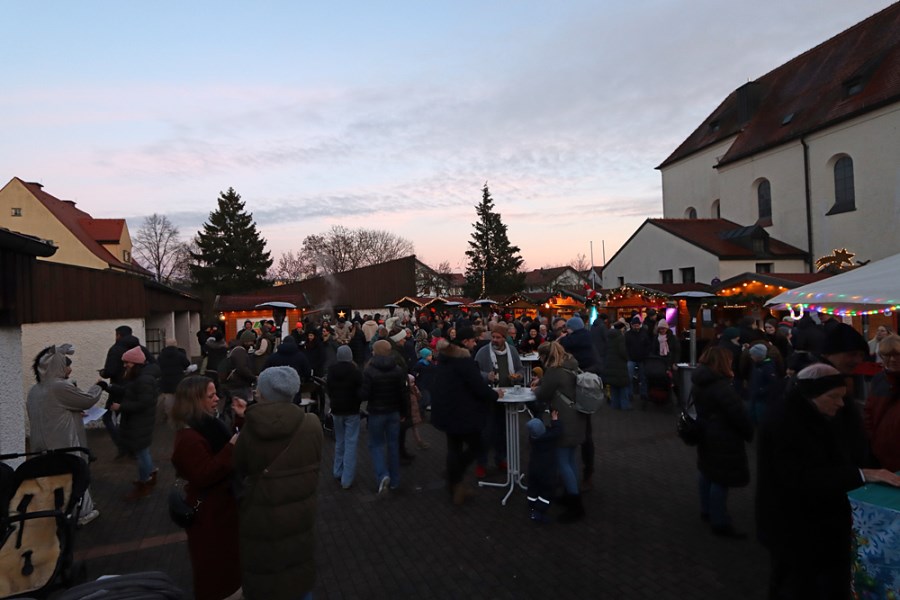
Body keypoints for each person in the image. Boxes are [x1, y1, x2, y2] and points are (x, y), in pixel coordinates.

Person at [756, 363, 900, 598]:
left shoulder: (813, 414)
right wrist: (863, 474)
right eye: (833, 397)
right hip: (795, 527)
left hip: (814, 525)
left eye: (843, 397)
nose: (840, 404)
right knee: (796, 584)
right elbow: (801, 478)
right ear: (812, 396)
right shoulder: (786, 423)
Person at [235, 367, 323, 600]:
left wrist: (247, 417)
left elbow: (239, 467)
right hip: (301, 511)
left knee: (267, 574)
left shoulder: (251, 430)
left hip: (263, 514)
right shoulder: (312, 424)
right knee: (299, 570)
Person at [170, 376, 242, 600]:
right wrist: (231, 447)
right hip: (211, 516)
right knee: (216, 571)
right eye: (210, 396)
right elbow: (205, 473)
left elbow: (227, 442)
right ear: (195, 401)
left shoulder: (206, 425)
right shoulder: (189, 438)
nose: (217, 399)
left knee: (228, 565)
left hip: (221, 511)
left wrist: (241, 419)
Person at [27, 344, 105, 526]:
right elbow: (87, 400)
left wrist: (73, 413)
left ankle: (56, 511)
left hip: (41, 444)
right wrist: (99, 386)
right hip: (63, 442)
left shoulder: (35, 390)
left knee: (51, 479)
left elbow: (51, 412)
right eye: (66, 364)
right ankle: (83, 512)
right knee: (76, 473)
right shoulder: (59, 387)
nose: (69, 369)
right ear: (57, 366)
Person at [431, 327, 502, 505]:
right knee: (479, 445)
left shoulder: (445, 358)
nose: (475, 343)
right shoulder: (463, 361)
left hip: (446, 411)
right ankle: (454, 477)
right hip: (461, 413)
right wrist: (495, 395)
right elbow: (478, 386)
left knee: (454, 448)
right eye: (472, 340)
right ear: (465, 342)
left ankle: (455, 485)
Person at [691, 346, 754, 538]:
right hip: (723, 436)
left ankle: (707, 510)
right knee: (720, 478)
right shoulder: (720, 387)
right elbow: (737, 413)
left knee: (708, 471)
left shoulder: (699, 382)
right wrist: (748, 431)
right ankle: (719, 521)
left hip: (706, 430)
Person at [532, 341, 585, 522]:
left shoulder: (554, 371)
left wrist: (537, 387)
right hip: (577, 417)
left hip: (564, 419)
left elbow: (543, 394)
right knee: (570, 460)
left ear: (546, 356)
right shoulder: (571, 363)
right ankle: (572, 494)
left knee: (563, 461)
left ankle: (576, 504)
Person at [108, 345, 161, 501]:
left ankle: (144, 484)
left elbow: (144, 403)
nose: (125, 365)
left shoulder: (143, 380)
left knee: (141, 453)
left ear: (136, 363)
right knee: (143, 452)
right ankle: (150, 474)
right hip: (139, 423)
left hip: (140, 423)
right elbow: (128, 392)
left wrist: (121, 406)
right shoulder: (139, 378)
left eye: (127, 363)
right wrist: (109, 388)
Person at [473, 323, 524, 477]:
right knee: (486, 432)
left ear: (504, 338)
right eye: (493, 337)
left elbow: (520, 368)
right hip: (489, 397)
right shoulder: (483, 352)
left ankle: (500, 458)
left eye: (498, 337)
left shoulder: (512, 351)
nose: (494, 340)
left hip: (508, 397)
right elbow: (474, 371)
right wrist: (485, 376)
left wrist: (518, 376)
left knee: (503, 432)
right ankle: (481, 463)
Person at [361, 339, 409, 494]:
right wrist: (404, 412)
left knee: (376, 444)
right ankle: (395, 481)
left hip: (376, 412)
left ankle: (382, 474)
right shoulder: (397, 370)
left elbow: (365, 394)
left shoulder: (369, 370)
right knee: (393, 445)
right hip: (394, 412)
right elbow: (403, 393)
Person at [326, 345, 363, 489]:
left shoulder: (331, 370)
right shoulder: (355, 372)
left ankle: (337, 471)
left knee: (340, 441)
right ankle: (347, 479)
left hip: (336, 409)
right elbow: (360, 389)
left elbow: (328, 388)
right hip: (352, 410)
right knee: (351, 443)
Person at [864, 334, 900, 470]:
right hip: (881, 451)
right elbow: (869, 411)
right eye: (887, 355)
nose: (892, 359)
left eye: (897, 355)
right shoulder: (879, 379)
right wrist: (871, 438)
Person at [526, 411, 561, 523]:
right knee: (547, 493)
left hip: (533, 469)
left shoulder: (533, 439)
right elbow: (557, 431)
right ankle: (538, 512)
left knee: (533, 488)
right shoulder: (549, 438)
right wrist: (555, 420)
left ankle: (532, 504)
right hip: (547, 472)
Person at [157, 338, 193, 423]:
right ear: (176, 344)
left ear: (166, 345)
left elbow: (158, 366)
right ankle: (181, 416)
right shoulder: (180, 354)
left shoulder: (161, 356)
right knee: (181, 398)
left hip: (165, 381)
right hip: (178, 380)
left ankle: (170, 416)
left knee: (168, 400)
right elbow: (186, 364)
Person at [745, 343, 780, 426]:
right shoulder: (756, 365)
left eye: (752, 355)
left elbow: (773, 384)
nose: (751, 357)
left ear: (758, 356)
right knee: (752, 417)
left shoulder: (768, 368)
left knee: (761, 420)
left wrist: (761, 391)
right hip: (754, 396)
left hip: (762, 399)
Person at [604, 321, 631, 410]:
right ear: (621, 328)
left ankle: (614, 405)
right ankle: (624, 406)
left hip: (610, 363)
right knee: (623, 386)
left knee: (614, 386)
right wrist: (627, 357)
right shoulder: (620, 337)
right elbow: (622, 351)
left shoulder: (608, 336)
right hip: (620, 365)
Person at [625, 316, 649, 402]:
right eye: (634, 325)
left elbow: (647, 345)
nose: (636, 326)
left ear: (640, 325)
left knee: (643, 377)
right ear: (631, 325)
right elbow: (625, 347)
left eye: (637, 325)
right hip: (631, 358)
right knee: (629, 377)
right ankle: (629, 394)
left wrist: (646, 355)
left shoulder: (644, 333)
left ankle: (643, 394)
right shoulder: (627, 335)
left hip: (642, 358)